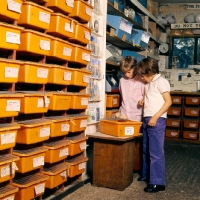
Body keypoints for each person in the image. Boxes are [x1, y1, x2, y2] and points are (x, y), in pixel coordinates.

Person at [137, 57, 172, 193]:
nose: (141, 78)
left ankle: (158, 183)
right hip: (147, 119)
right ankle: (147, 174)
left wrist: (156, 117)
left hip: (156, 120)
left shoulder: (161, 82)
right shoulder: (148, 84)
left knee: (156, 152)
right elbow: (152, 99)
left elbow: (168, 102)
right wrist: (143, 101)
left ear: (150, 72)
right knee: (145, 149)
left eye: (143, 75)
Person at [115, 56, 145, 121]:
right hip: (123, 115)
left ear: (135, 68)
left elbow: (146, 97)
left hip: (136, 116)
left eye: (129, 72)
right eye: (124, 72)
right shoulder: (122, 80)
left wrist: (143, 100)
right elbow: (123, 98)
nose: (126, 75)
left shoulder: (141, 80)